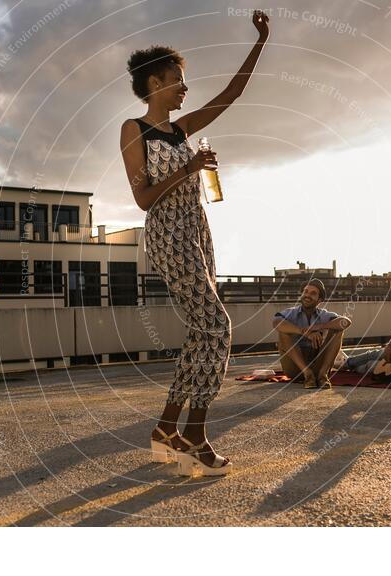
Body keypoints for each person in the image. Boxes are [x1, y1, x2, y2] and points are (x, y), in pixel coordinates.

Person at [119, 10, 270, 476]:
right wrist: (189, 168)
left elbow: (233, 93)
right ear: (155, 83)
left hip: (197, 233)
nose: (185, 88)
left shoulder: (181, 131)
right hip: (168, 235)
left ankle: (167, 428)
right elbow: (143, 199)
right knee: (219, 328)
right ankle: (197, 437)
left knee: (202, 332)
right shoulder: (134, 129)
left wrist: (261, 41)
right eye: (178, 80)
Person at [273, 279, 352, 389]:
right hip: (296, 367)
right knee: (283, 333)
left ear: (319, 300)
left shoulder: (324, 315)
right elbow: (276, 323)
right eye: (305, 292)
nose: (307, 295)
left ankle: (322, 375)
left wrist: (319, 326)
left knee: (338, 330)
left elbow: (345, 322)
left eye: (313, 293)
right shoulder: (291, 313)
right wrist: (305, 332)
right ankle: (308, 374)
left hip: (318, 365)